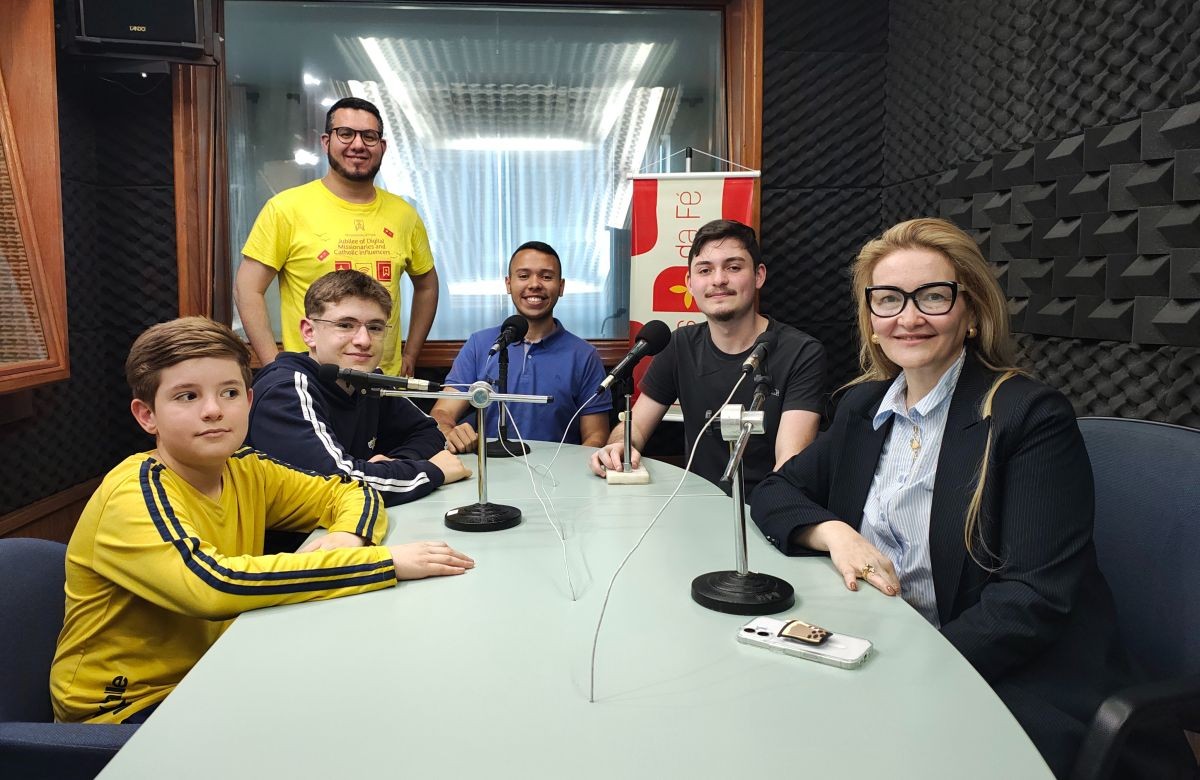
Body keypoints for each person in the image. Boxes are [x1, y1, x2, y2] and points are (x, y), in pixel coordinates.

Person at [749, 218, 1167, 775]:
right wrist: (834, 533)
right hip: (894, 644)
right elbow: (775, 491)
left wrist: (907, 671)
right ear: (871, 320)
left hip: (1007, 674)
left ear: (969, 311)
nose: (910, 317)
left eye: (934, 296)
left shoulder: (1028, 415)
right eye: (890, 299)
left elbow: (1032, 600)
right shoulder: (860, 410)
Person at [50, 317, 473, 724]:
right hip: (127, 709)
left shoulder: (246, 469)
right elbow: (214, 585)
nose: (214, 410)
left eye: (230, 393)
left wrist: (348, 535)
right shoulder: (134, 492)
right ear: (147, 416)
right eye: (187, 396)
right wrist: (384, 563)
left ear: (249, 402)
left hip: (216, 669)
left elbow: (351, 490)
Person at [589, 219, 825, 497]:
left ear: (759, 275)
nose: (718, 280)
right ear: (690, 283)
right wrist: (620, 445)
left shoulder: (801, 352)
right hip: (696, 506)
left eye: (733, 267)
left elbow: (789, 464)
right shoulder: (678, 346)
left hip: (768, 510)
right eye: (705, 270)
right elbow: (637, 426)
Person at [236, 96, 438, 377]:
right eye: (345, 133)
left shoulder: (404, 215)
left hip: (383, 381)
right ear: (326, 141)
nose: (358, 145)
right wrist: (275, 366)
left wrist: (411, 353)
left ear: (382, 147)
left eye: (369, 136)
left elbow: (427, 285)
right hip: (312, 381)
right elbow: (248, 288)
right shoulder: (286, 209)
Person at [248, 270, 469, 505]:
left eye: (375, 327)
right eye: (345, 325)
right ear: (309, 332)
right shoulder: (287, 390)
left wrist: (395, 464)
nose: (363, 340)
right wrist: (431, 471)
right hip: (299, 540)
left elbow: (430, 433)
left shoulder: (367, 381)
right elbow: (338, 483)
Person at [430, 241, 611, 452]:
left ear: (561, 287)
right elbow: (442, 413)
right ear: (508, 284)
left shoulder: (584, 355)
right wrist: (450, 432)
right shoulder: (480, 345)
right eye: (524, 276)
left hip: (555, 477)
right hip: (489, 473)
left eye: (546, 276)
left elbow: (596, 436)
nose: (534, 284)